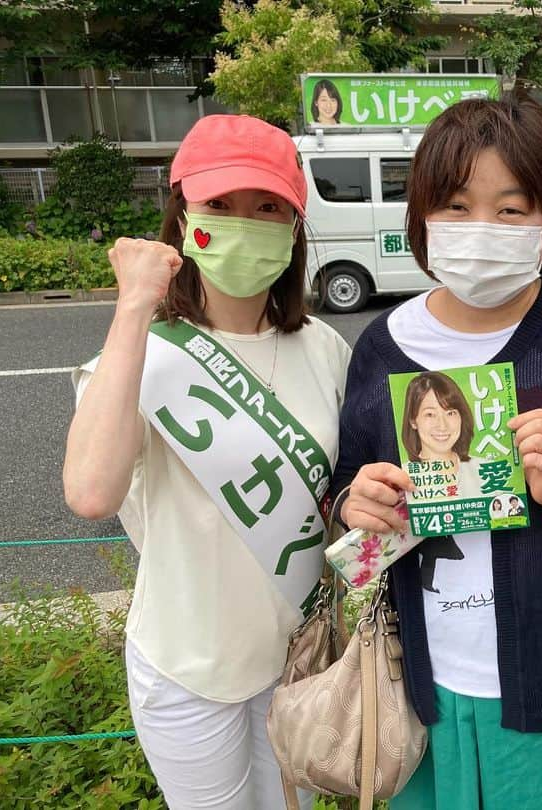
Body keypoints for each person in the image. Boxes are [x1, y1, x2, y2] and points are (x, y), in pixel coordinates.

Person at [330, 92, 542, 810]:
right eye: (456, 206)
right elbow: (344, 494)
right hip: (421, 691)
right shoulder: (381, 347)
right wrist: (353, 503)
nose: (480, 228)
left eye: (512, 208)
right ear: (421, 216)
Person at [63, 114, 351, 810]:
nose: (242, 223)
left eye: (265, 207)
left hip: (299, 659)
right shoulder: (144, 352)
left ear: (292, 228)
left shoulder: (326, 348)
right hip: (189, 665)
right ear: (183, 217)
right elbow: (92, 492)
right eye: (219, 206)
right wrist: (135, 305)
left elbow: (344, 498)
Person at [401, 370, 485, 498]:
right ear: (413, 421)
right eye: (430, 414)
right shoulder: (401, 478)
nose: (442, 425)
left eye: (450, 413)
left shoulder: (485, 469)